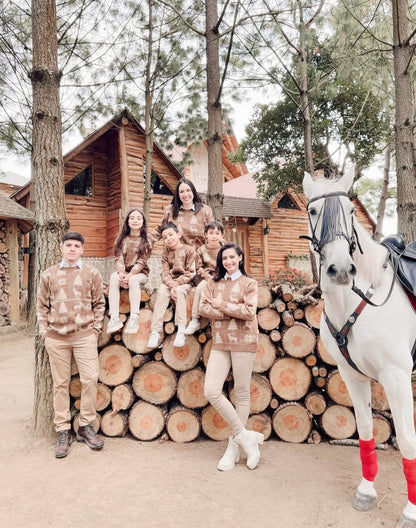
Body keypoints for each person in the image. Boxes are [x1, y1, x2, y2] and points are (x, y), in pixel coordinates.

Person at [37, 231, 105, 459]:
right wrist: (45, 333)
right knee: (60, 384)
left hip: (84, 335)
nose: (72, 249)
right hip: (56, 338)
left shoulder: (92, 273)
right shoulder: (49, 275)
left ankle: (85, 426)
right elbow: (41, 306)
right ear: (61, 248)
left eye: (77, 245)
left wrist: (95, 330)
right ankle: (63, 430)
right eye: (69, 245)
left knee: (90, 378)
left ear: (82, 249)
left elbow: (99, 304)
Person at [200, 242, 263, 471]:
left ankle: (233, 448)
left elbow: (249, 312)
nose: (228, 262)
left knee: (242, 392)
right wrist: (228, 312)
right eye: (224, 258)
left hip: (244, 341)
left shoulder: (249, 283)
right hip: (220, 341)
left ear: (240, 257)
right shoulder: (212, 283)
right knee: (211, 391)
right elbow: (203, 309)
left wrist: (222, 306)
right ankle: (245, 438)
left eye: (231, 257)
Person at [147, 222, 196, 349]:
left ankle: (181, 330)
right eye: (165, 237)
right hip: (169, 282)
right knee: (162, 293)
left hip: (184, 282)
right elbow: (164, 272)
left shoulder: (189, 250)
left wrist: (177, 283)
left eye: (171, 235)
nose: (168, 239)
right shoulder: (165, 253)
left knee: (179, 292)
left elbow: (191, 272)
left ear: (178, 235)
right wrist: (170, 283)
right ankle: (155, 331)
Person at [107, 208, 152, 335]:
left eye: (139, 218)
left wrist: (130, 275)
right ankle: (114, 317)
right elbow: (118, 258)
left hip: (140, 274)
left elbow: (141, 262)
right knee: (113, 277)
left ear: (143, 222)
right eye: (132, 218)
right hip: (124, 273)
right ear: (127, 221)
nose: (135, 220)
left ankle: (134, 317)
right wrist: (121, 274)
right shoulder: (121, 239)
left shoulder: (146, 241)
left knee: (133, 279)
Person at [184, 220, 225, 335]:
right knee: (199, 289)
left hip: (222, 276)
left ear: (222, 235)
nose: (214, 236)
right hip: (208, 277)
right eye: (211, 233)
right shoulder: (201, 250)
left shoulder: (225, 248)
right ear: (206, 234)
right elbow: (199, 267)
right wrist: (207, 277)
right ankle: (195, 319)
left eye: (217, 234)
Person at [151, 177, 214, 250]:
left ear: (193, 192)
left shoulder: (205, 210)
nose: (185, 194)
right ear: (178, 194)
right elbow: (159, 230)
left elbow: (214, 232)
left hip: (198, 258)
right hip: (175, 258)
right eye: (181, 192)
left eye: (188, 190)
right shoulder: (170, 210)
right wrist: (144, 242)